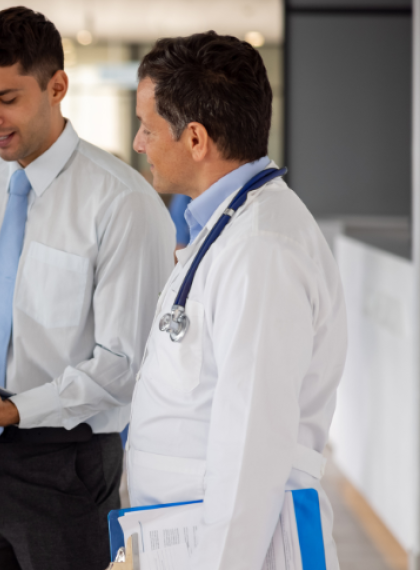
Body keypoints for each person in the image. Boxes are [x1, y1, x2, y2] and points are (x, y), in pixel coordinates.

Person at [0, 7, 173, 570]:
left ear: (57, 87)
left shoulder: (122, 202)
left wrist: (17, 411)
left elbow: (123, 362)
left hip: (65, 459)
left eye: (6, 98)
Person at [126, 31, 346, 569]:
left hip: (232, 549)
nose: (138, 143)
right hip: (183, 532)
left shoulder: (262, 250)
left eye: (147, 128)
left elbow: (253, 445)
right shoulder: (230, 229)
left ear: (195, 139)